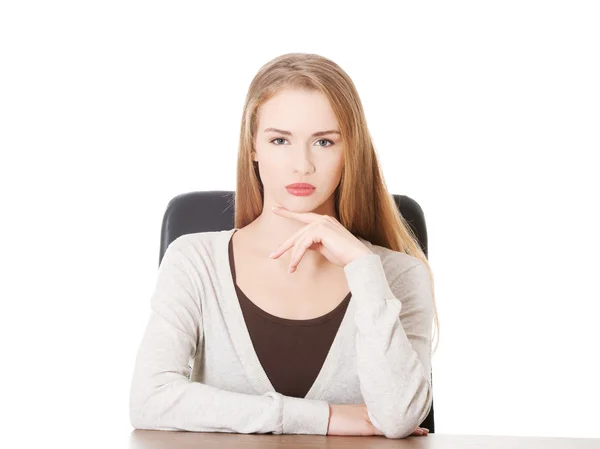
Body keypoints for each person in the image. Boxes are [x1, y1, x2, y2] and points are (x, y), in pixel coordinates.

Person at [129, 52, 439, 439]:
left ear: (350, 151)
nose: (302, 165)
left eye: (324, 142)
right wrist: (324, 418)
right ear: (253, 147)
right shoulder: (194, 261)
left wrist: (364, 267)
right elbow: (150, 399)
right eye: (280, 140)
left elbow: (398, 418)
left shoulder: (398, 276)